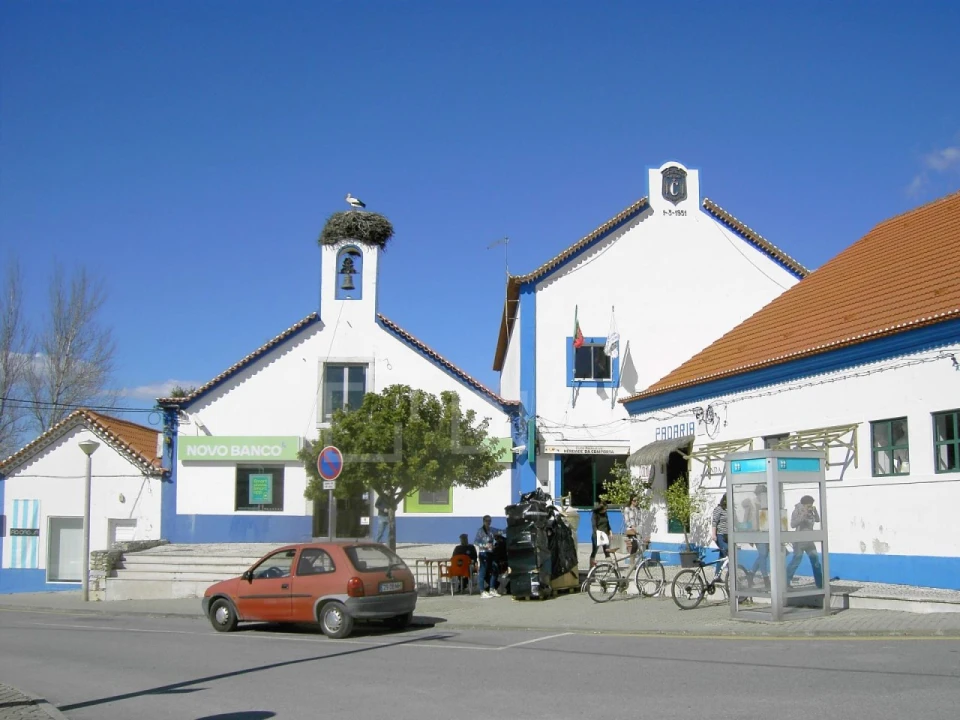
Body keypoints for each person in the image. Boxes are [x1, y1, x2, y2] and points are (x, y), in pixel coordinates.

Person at [786, 495, 823, 588]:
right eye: (808, 506)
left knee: (816, 561)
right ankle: (786, 581)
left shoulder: (811, 512)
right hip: (799, 540)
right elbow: (793, 524)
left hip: (809, 540)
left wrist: (815, 511)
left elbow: (818, 520)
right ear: (803, 505)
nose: (810, 508)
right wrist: (803, 515)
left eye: (811, 506)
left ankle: (820, 583)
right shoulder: (797, 511)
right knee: (796, 561)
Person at [474, 515, 501, 598]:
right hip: (483, 553)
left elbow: (501, 532)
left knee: (495, 569)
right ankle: (482, 591)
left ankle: (492, 589)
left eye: (489, 521)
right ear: (483, 521)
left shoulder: (492, 530)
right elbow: (476, 542)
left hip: (491, 553)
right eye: (487, 521)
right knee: (483, 571)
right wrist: (485, 545)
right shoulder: (480, 531)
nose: (488, 522)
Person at [711, 495, 728, 582]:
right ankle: (733, 576)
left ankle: (717, 576)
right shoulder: (719, 509)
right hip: (720, 535)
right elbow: (714, 522)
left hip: (729, 536)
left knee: (722, 555)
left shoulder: (731, 509)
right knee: (728, 553)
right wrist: (714, 535)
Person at [590, 500, 612, 567]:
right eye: (604, 509)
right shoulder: (595, 514)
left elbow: (607, 524)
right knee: (595, 551)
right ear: (600, 509)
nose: (605, 510)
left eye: (606, 509)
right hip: (597, 535)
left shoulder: (605, 514)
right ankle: (591, 566)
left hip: (605, 535)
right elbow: (594, 526)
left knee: (607, 551)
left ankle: (611, 566)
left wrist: (610, 532)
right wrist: (598, 534)